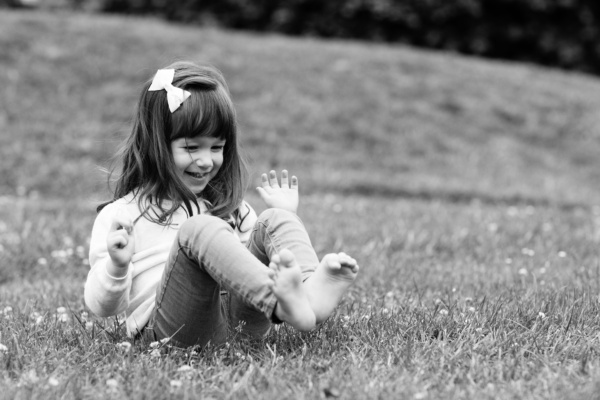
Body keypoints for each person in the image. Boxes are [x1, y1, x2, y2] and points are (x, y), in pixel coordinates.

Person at [84, 61, 359, 348]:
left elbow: (252, 266)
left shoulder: (232, 209)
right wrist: (117, 265)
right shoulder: (122, 215)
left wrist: (286, 217)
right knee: (198, 230)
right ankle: (282, 306)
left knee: (274, 218)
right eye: (191, 148)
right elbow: (102, 307)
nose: (206, 161)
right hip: (173, 330)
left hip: (240, 326)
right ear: (156, 146)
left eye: (217, 147)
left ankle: (308, 294)